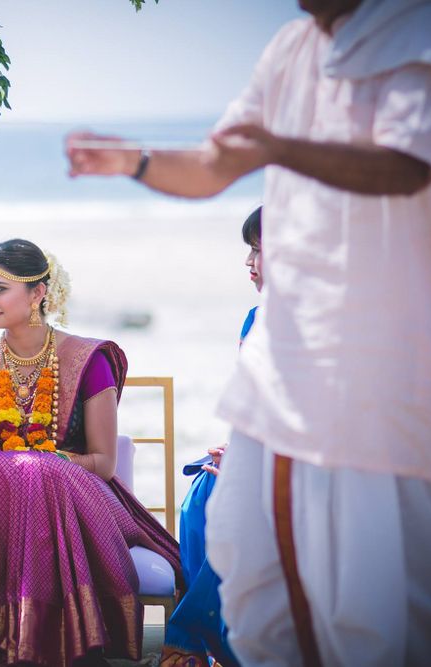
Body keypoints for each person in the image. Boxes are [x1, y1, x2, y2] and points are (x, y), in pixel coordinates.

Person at [65, 1, 431, 663]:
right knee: (253, 577)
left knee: (372, 597)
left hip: (383, 364)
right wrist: (137, 161)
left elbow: (406, 166)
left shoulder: (422, 31)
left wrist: (278, 149)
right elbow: (217, 164)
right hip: (284, 366)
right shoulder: (290, 47)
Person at [0, 239, 182, 666]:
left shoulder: (87, 359)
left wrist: (43, 465)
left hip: (81, 496)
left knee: (28, 470)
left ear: (38, 293)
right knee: (11, 470)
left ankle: (35, 645)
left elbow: (103, 463)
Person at [160, 206, 262, 667]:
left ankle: (192, 639)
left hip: (306, 463)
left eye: (259, 251)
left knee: (225, 503)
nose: (249, 263)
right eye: (250, 252)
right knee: (199, 495)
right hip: (258, 452)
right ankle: (209, 645)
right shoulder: (254, 319)